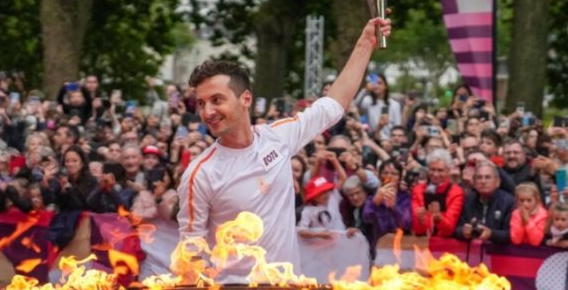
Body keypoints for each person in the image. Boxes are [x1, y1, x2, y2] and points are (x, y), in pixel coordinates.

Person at [176, 16, 390, 282]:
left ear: (246, 99)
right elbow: (190, 252)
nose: (207, 112)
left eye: (217, 100)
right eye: (201, 103)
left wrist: (365, 44)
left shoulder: (277, 138)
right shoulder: (200, 173)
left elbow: (333, 105)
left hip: (287, 283)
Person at [455, 162, 514, 244]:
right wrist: (463, 232)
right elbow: (456, 228)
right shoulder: (468, 199)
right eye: (479, 177)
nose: (483, 181)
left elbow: (511, 234)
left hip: (498, 253)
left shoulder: (509, 202)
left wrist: (491, 234)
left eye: (487, 177)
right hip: (471, 252)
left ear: (498, 182)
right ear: (474, 183)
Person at [411, 149, 465, 237]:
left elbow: (449, 229)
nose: (435, 174)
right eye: (432, 169)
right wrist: (421, 219)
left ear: (448, 171)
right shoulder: (418, 190)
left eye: (440, 170)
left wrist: (438, 218)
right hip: (422, 242)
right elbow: (417, 230)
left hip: (445, 243)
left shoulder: (456, 192)